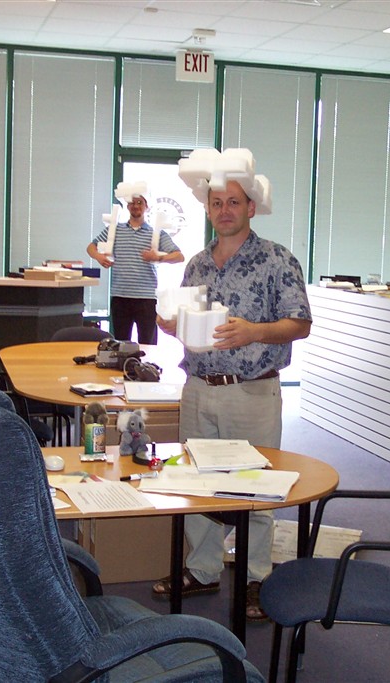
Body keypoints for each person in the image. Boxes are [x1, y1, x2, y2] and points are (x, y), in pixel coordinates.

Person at [151, 152, 312, 621]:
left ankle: (256, 578)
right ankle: (202, 569)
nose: (225, 210)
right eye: (217, 202)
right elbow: (187, 324)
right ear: (207, 209)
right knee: (197, 482)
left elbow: (300, 323)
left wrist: (254, 331)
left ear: (251, 207)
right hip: (199, 388)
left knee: (255, 487)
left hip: (251, 392)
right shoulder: (197, 264)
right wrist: (171, 325)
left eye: (234, 202)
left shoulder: (277, 259)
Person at [87, 187, 183, 344]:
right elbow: (91, 247)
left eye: (140, 202)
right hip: (120, 297)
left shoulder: (155, 233)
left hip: (146, 299)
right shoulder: (114, 230)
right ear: (127, 206)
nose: (136, 206)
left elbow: (179, 256)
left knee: (148, 345)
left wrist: (158, 258)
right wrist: (99, 257)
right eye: (132, 202)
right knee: (120, 344)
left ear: (146, 206)